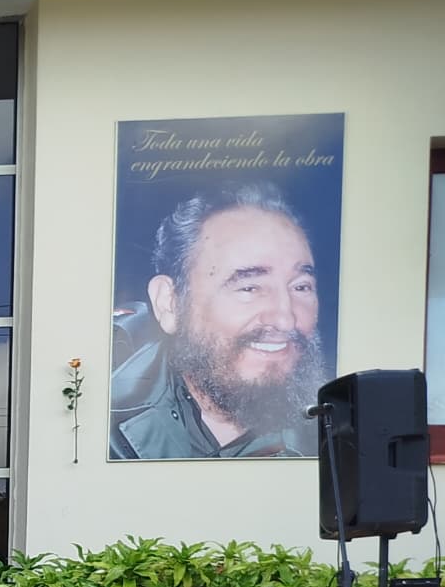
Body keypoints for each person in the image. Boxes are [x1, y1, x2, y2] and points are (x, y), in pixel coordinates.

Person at [110, 183, 322, 460]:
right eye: (249, 287)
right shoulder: (98, 422)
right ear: (170, 303)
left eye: (301, 287)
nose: (285, 319)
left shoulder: (337, 434)